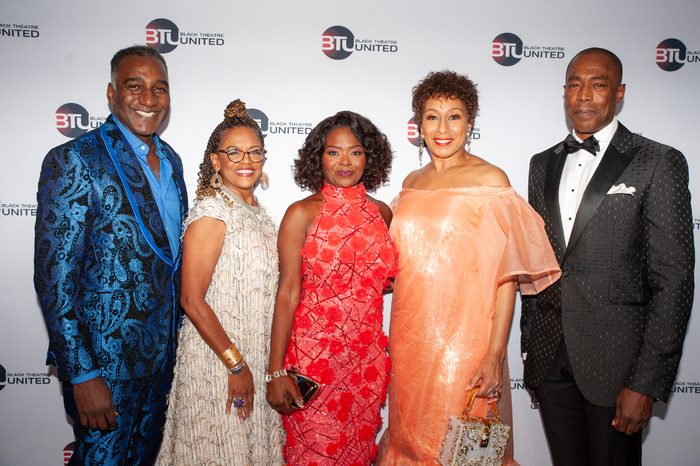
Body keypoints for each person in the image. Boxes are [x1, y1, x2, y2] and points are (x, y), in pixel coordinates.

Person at [521, 47, 694, 466]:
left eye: (597, 85)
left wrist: (646, 383)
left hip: (618, 367)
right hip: (550, 361)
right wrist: (529, 351)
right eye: (575, 85)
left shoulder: (658, 161)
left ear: (618, 94)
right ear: (564, 93)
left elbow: (674, 279)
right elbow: (535, 263)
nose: (584, 95)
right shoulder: (541, 163)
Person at [379, 70, 561, 466]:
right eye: (432, 116)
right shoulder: (411, 182)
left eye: (454, 116)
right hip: (411, 344)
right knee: (409, 441)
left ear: (470, 123)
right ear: (419, 125)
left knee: (461, 452)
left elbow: (506, 278)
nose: (443, 128)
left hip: (466, 344)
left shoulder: (490, 180)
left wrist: (494, 354)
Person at [33, 45, 187, 465]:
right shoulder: (74, 160)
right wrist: (81, 373)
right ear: (111, 93)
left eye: (160, 88)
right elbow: (54, 279)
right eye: (134, 86)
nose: (149, 99)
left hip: (161, 364)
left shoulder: (172, 161)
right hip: (104, 366)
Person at [156, 99, 284, 465]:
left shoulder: (263, 216)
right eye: (234, 152)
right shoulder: (212, 213)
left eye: (254, 152)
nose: (246, 161)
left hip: (255, 358)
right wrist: (235, 365)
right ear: (216, 161)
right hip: (219, 363)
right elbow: (191, 300)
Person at [266, 111, 397, 465]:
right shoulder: (301, 214)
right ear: (318, 157)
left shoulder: (382, 214)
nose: (345, 162)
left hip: (366, 364)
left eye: (355, 152)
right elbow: (288, 293)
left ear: (369, 157)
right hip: (314, 363)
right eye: (333, 152)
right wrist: (276, 370)